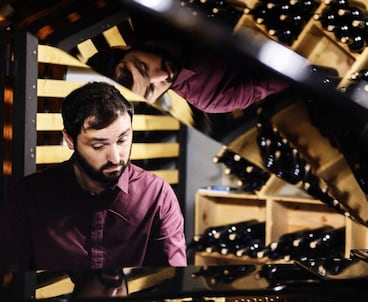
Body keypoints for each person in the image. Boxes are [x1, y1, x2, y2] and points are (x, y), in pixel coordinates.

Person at [0, 81, 187, 271]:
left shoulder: (156, 195)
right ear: (70, 140)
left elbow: (170, 280)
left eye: (122, 140)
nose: (115, 157)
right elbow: (11, 282)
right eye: (98, 146)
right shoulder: (29, 197)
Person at [86, 35, 293, 114]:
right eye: (151, 89)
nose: (162, 76)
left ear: (123, 47)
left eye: (143, 68)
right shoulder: (212, 98)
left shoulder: (152, 13)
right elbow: (289, 72)